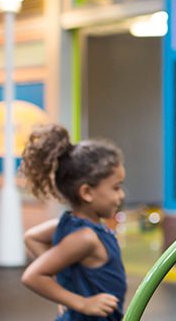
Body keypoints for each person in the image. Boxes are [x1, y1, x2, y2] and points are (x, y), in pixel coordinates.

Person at [20, 124, 127, 321]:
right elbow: (32, 276)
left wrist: (65, 292)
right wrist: (80, 302)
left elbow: (32, 237)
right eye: (116, 188)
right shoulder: (85, 238)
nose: (121, 195)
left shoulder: (69, 225)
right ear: (86, 192)